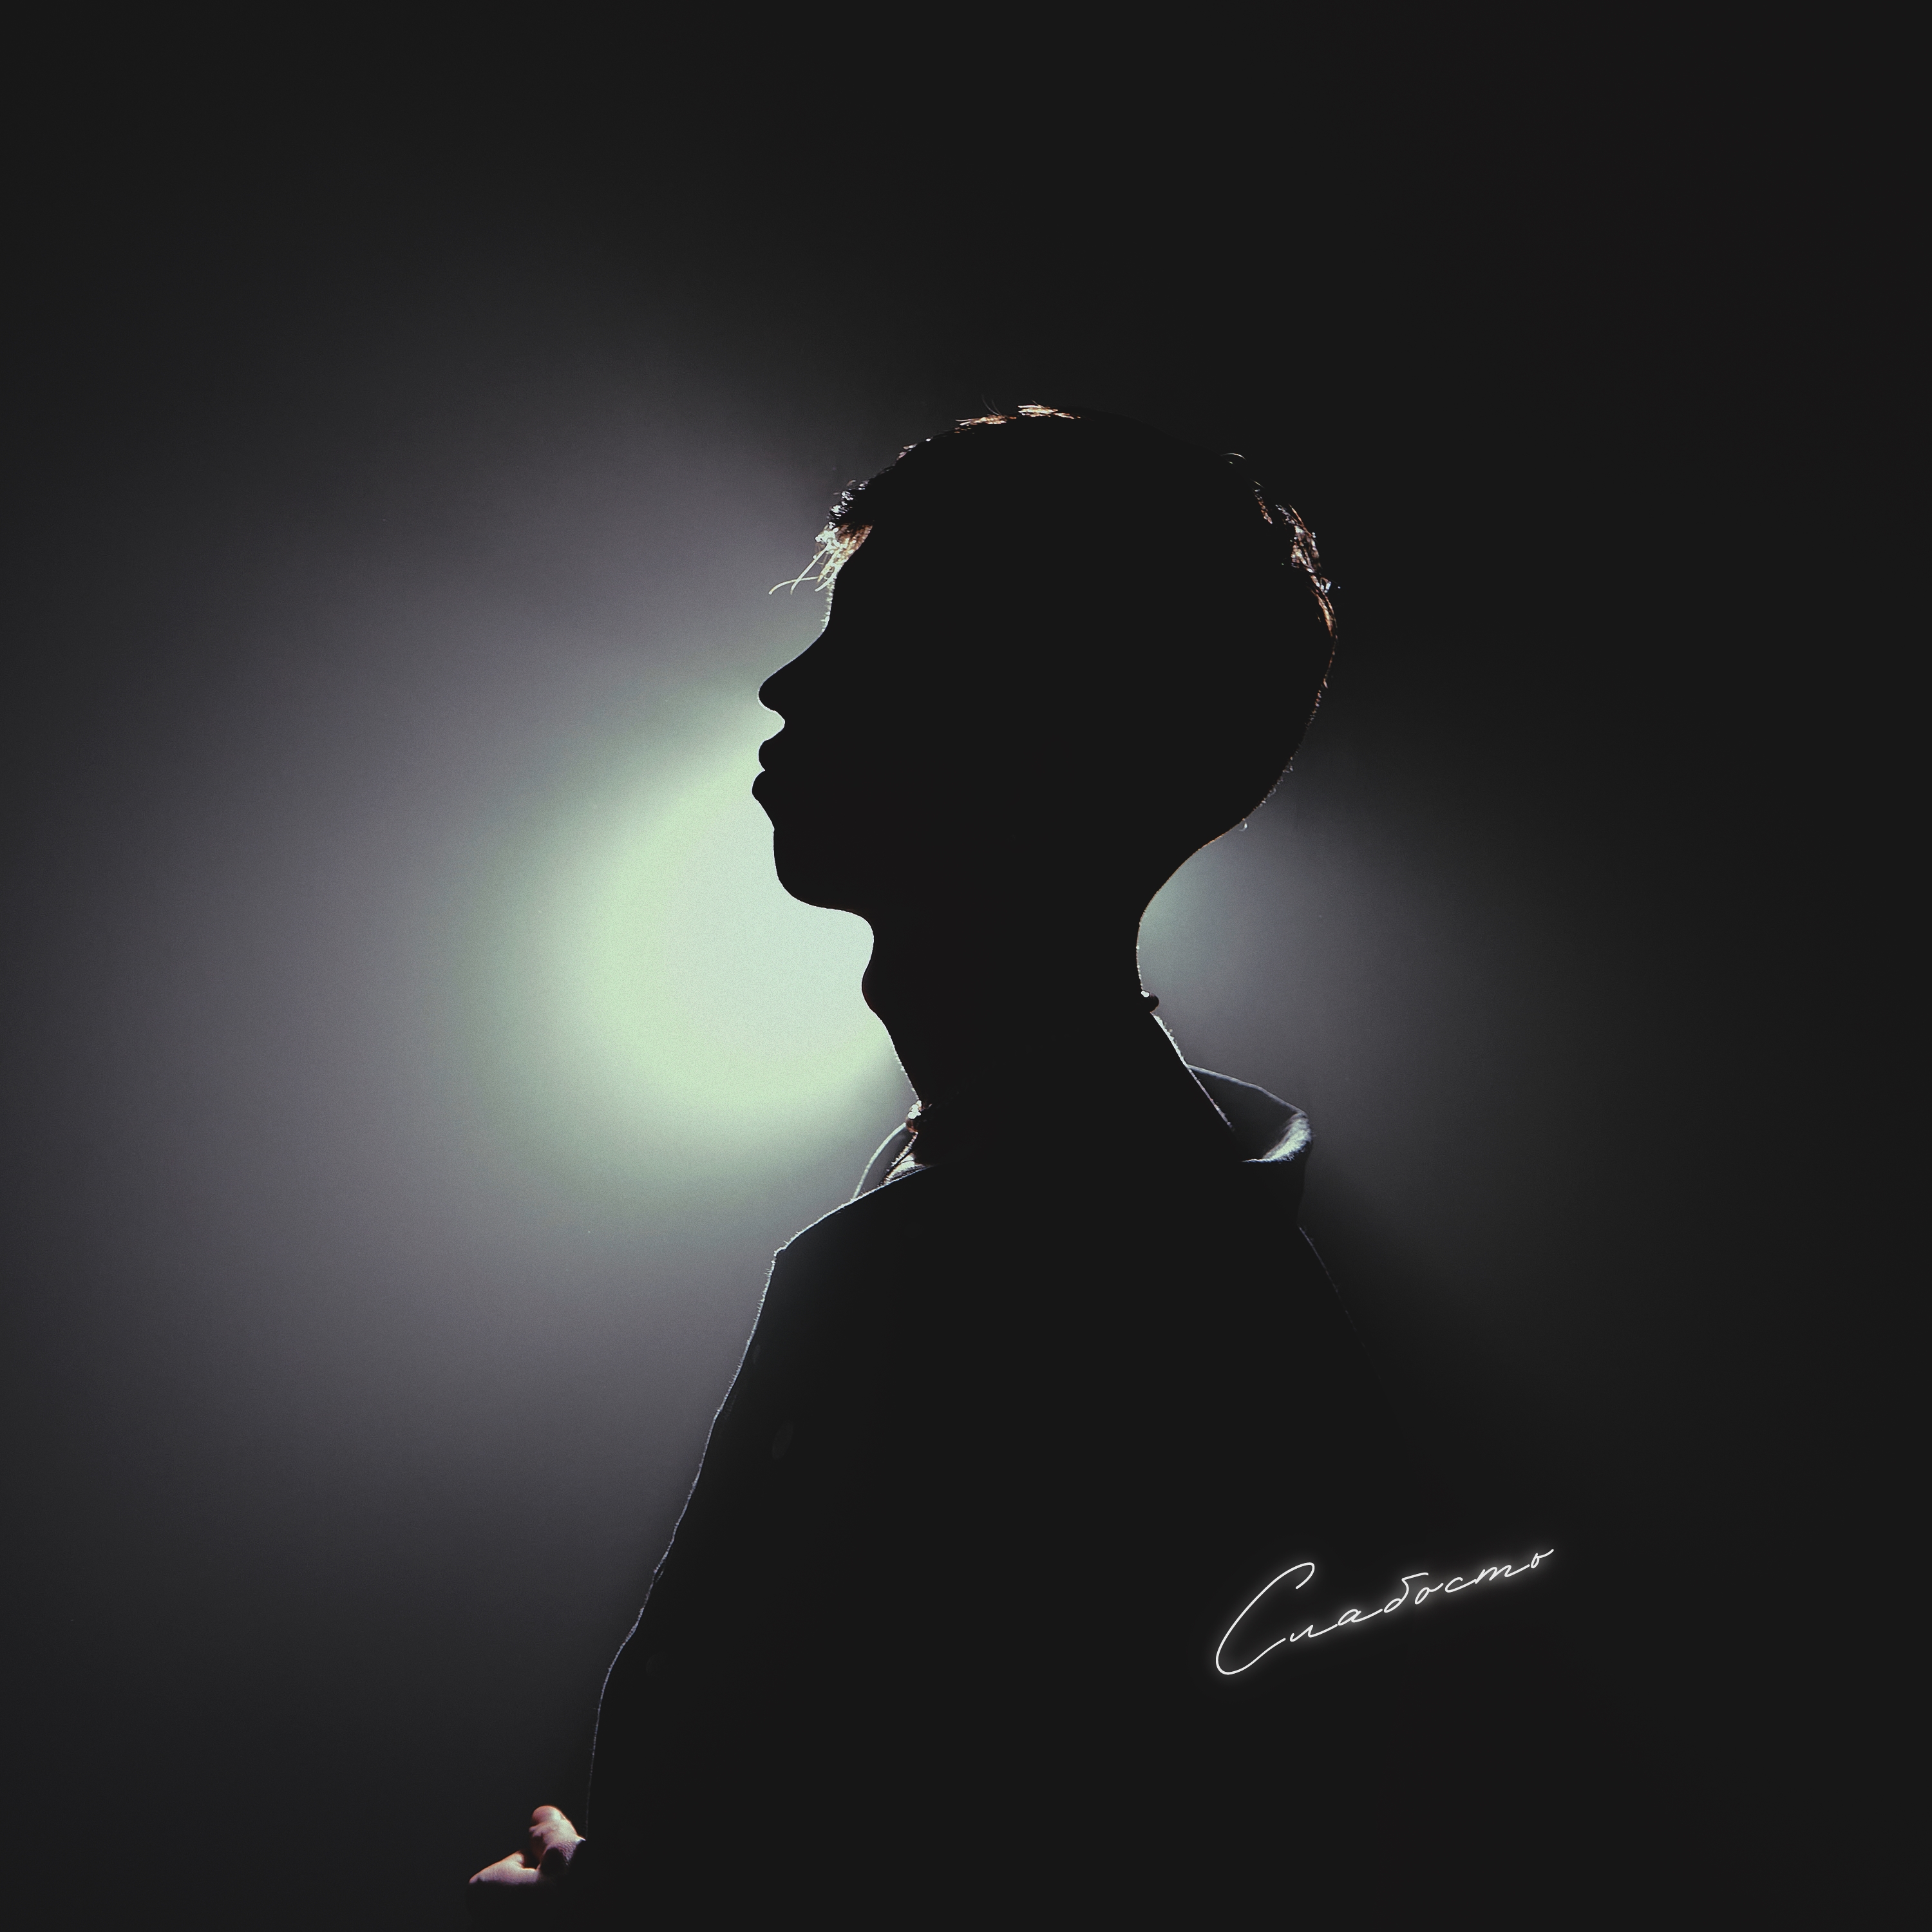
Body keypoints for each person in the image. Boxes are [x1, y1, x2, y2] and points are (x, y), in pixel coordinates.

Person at [469, 406, 1564, 1922]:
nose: (786, 687)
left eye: (871, 644)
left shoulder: (1111, 1293)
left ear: (1034, 726)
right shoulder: (1053, 1210)